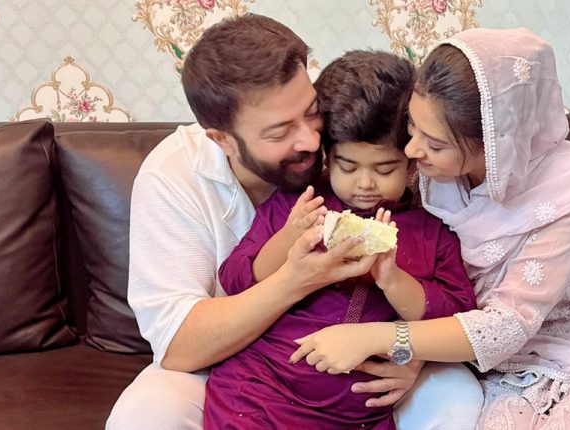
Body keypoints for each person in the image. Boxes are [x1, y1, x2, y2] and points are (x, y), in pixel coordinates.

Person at [291, 28, 570, 429]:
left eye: (435, 143)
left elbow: (508, 325)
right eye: (412, 128)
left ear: (495, 143)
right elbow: (426, 280)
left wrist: (381, 338)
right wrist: (413, 354)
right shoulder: (429, 174)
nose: (412, 150)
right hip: (482, 352)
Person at [106, 14, 484, 430]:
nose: (311, 140)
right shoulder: (174, 177)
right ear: (223, 139)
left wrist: (409, 347)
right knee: (142, 415)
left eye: (311, 112)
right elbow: (180, 346)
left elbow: (458, 308)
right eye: (280, 132)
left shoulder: (384, 155)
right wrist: (296, 277)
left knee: (458, 396)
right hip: (243, 370)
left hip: (365, 374)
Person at [203, 50, 477, 429]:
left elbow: (455, 318)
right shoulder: (300, 204)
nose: (365, 184)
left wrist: (393, 280)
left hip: (356, 414)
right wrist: (288, 240)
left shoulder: (431, 230)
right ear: (328, 158)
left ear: (411, 163)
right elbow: (234, 280)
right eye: (347, 167)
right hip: (259, 391)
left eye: (385, 169)